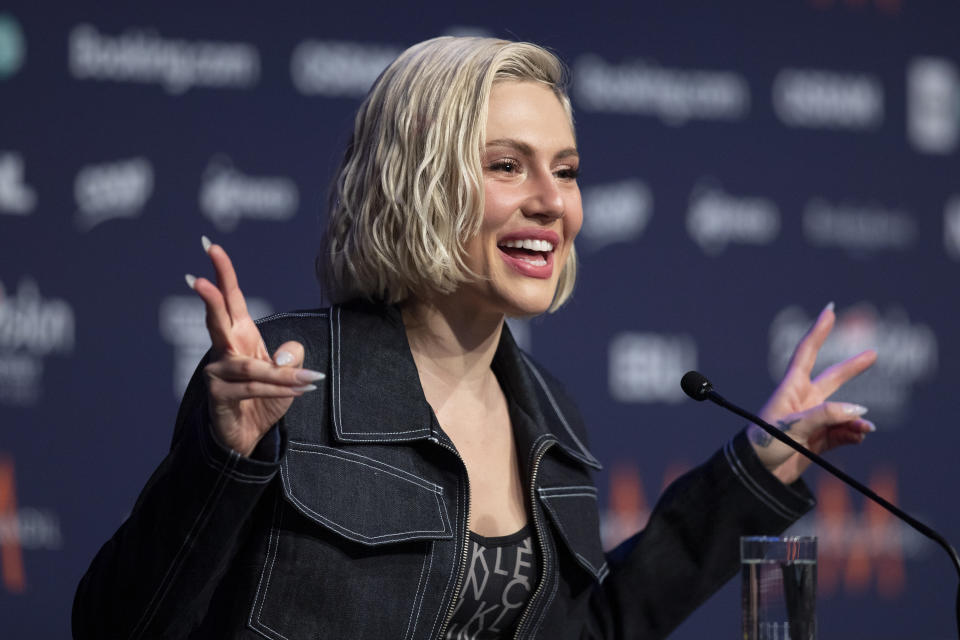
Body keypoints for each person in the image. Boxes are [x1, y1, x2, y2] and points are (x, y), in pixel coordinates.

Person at [72, 36, 877, 639]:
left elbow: (592, 631)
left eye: (565, 171)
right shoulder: (286, 378)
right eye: (506, 166)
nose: (551, 202)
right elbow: (117, 626)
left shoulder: (550, 418)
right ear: (415, 179)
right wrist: (218, 462)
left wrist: (754, 469)